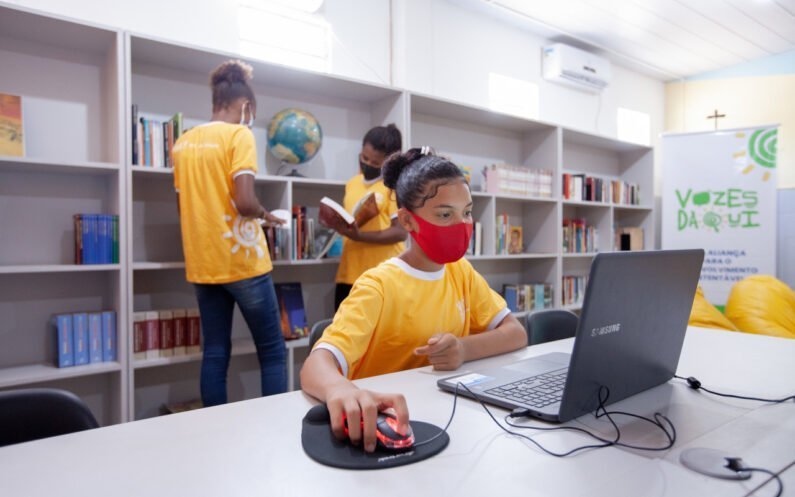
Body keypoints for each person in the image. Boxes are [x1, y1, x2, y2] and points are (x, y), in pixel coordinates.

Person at [301, 147, 528, 452]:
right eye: (445, 214)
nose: (461, 225)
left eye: (467, 212)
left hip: (444, 418)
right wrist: (338, 388)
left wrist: (463, 349)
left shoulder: (460, 272)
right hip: (387, 425)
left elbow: (516, 333)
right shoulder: (378, 285)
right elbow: (316, 365)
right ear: (407, 221)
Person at [173, 59, 287, 406]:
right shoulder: (240, 135)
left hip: (203, 263)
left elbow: (184, 207)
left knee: (215, 352)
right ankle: (276, 423)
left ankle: (214, 429)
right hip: (242, 263)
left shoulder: (183, 143)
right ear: (245, 106)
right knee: (271, 350)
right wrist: (269, 216)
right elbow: (245, 201)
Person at [332, 124, 408, 310]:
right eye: (364, 158)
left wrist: (359, 236)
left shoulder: (393, 186)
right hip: (348, 273)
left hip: (382, 275)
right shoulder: (352, 183)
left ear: (387, 162)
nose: (368, 165)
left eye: (375, 163)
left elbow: (400, 233)